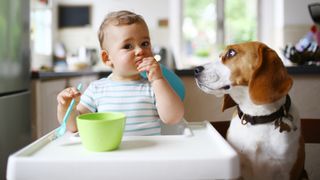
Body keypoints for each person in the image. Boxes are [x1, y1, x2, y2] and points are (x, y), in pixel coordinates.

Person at [56, 10, 184, 136]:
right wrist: (67, 108)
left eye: (145, 44)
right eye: (128, 46)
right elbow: (75, 127)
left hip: (146, 155)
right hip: (110, 155)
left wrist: (158, 79)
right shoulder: (96, 89)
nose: (140, 50)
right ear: (107, 58)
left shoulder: (153, 87)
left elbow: (173, 118)